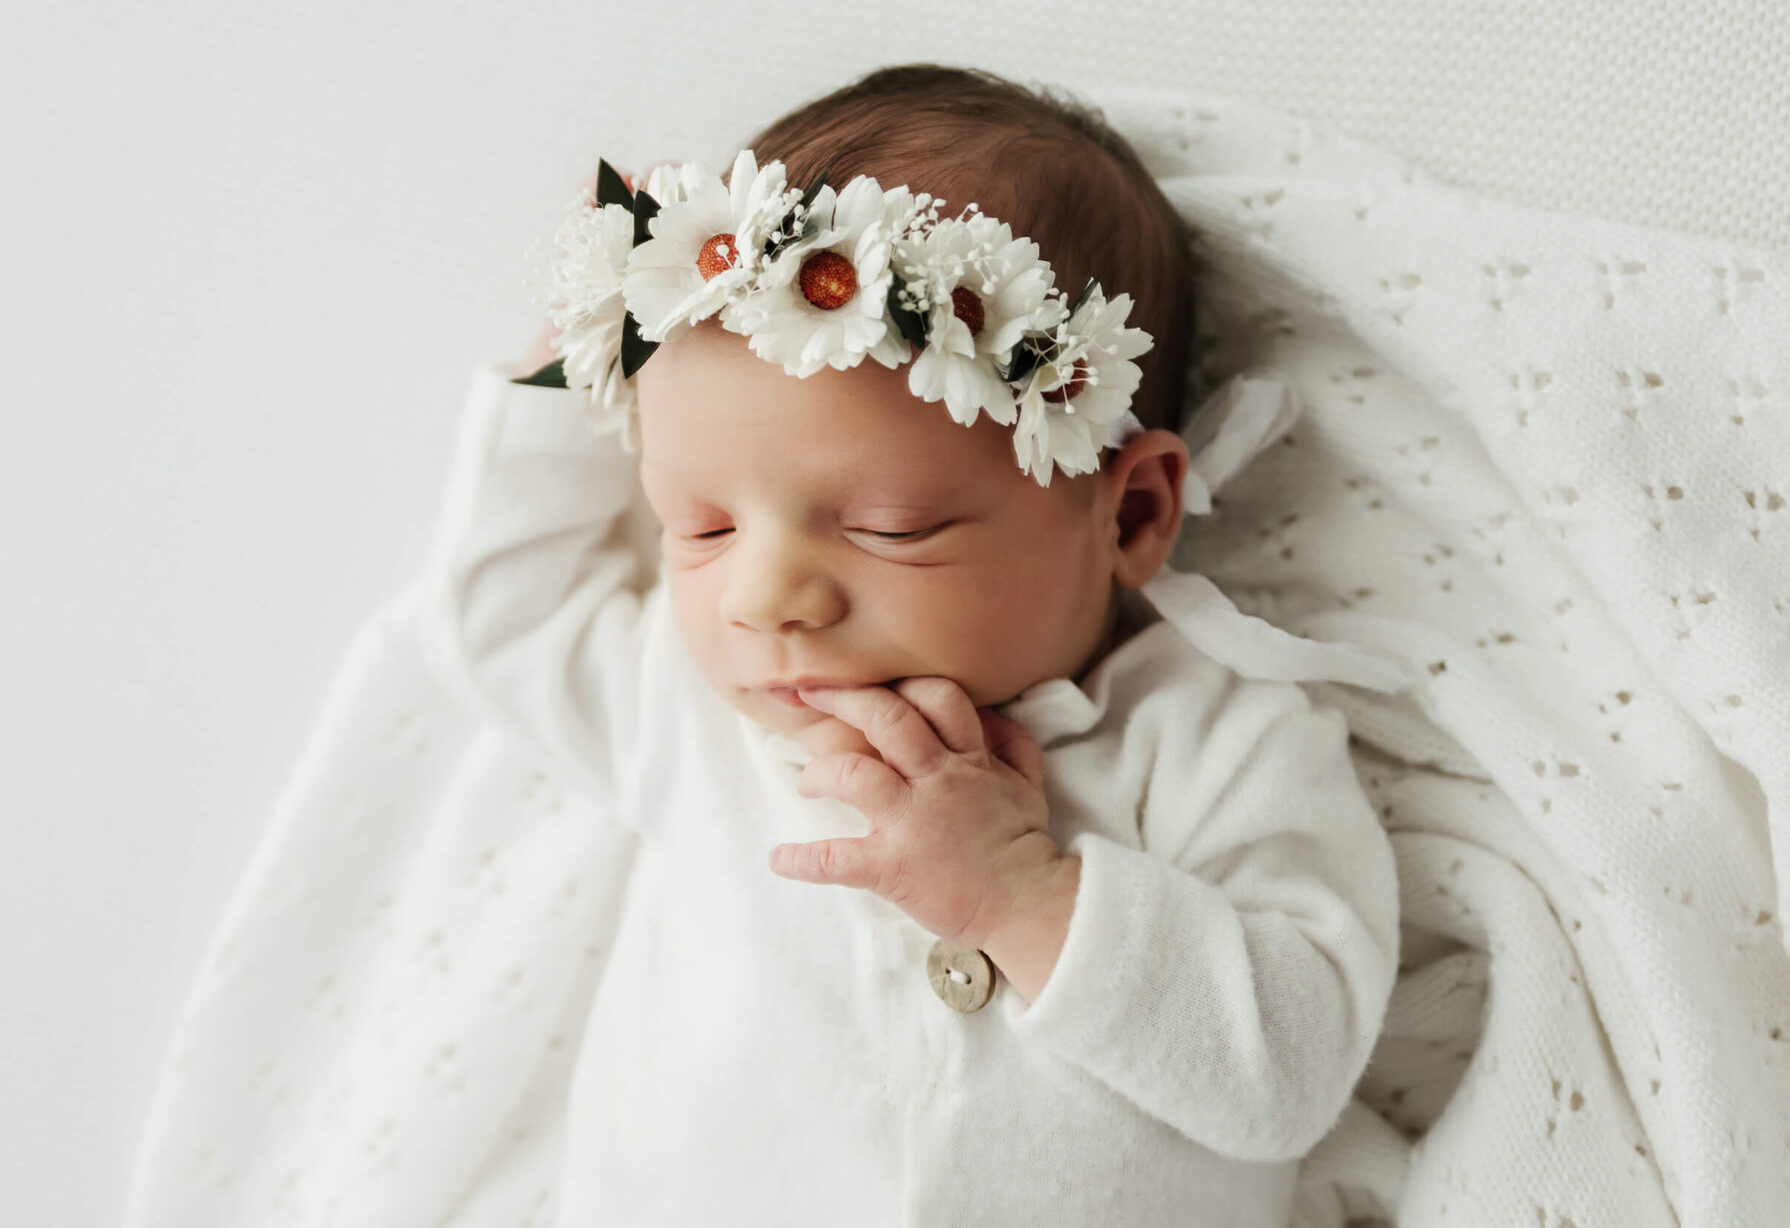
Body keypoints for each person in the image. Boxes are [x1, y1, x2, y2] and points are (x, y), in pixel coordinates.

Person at [421, 63, 1402, 1226]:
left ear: (1130, 514)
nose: (766, 598)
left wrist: (1027, 896)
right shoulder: (690, 713)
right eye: (703, 526)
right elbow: (501, 618)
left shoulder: (1215, 737)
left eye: (889, 527)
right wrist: (567, 370)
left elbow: (1289, 1076)